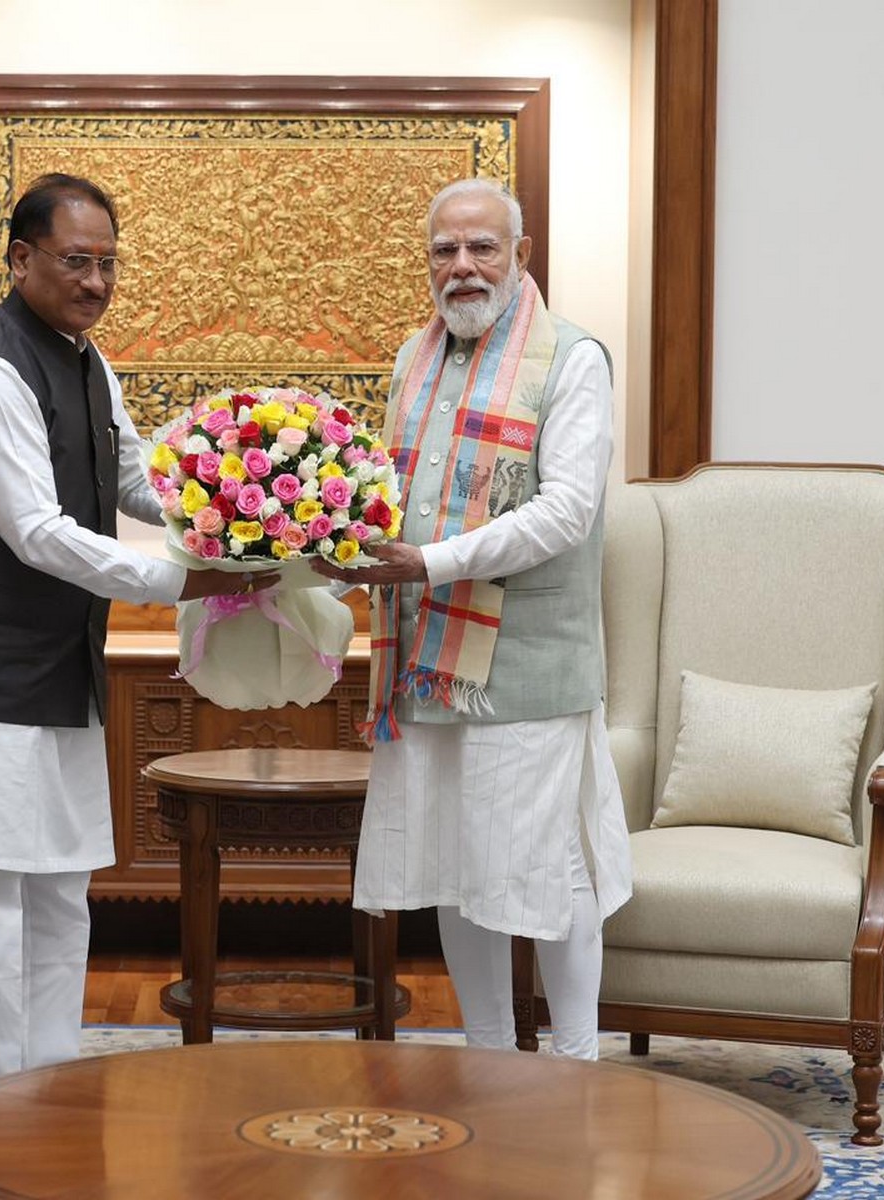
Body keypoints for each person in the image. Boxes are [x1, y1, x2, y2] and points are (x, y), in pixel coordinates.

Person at [0, 173, 268, 1089]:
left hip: (62, 676)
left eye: (108, 264)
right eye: (76, 262)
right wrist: (181, 580)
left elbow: (133, 479)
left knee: (61, 905)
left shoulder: (88, 362)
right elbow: (39, 533)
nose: (96, 282)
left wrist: (245, 510)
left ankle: (47, 1096)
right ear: (21, 260)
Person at [314, 178, 632, 1059]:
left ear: (520, 255)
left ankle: (577, 1064)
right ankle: (490, 1059)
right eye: (444, 250)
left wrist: (431, 563)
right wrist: (314, 566)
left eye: (482, 247)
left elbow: (567, 512)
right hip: (425, 664)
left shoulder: (572, 360)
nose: (463, 266)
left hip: (527, 671)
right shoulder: (413, 361)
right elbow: (386, 503)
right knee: (455, 869)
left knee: (549, 870)